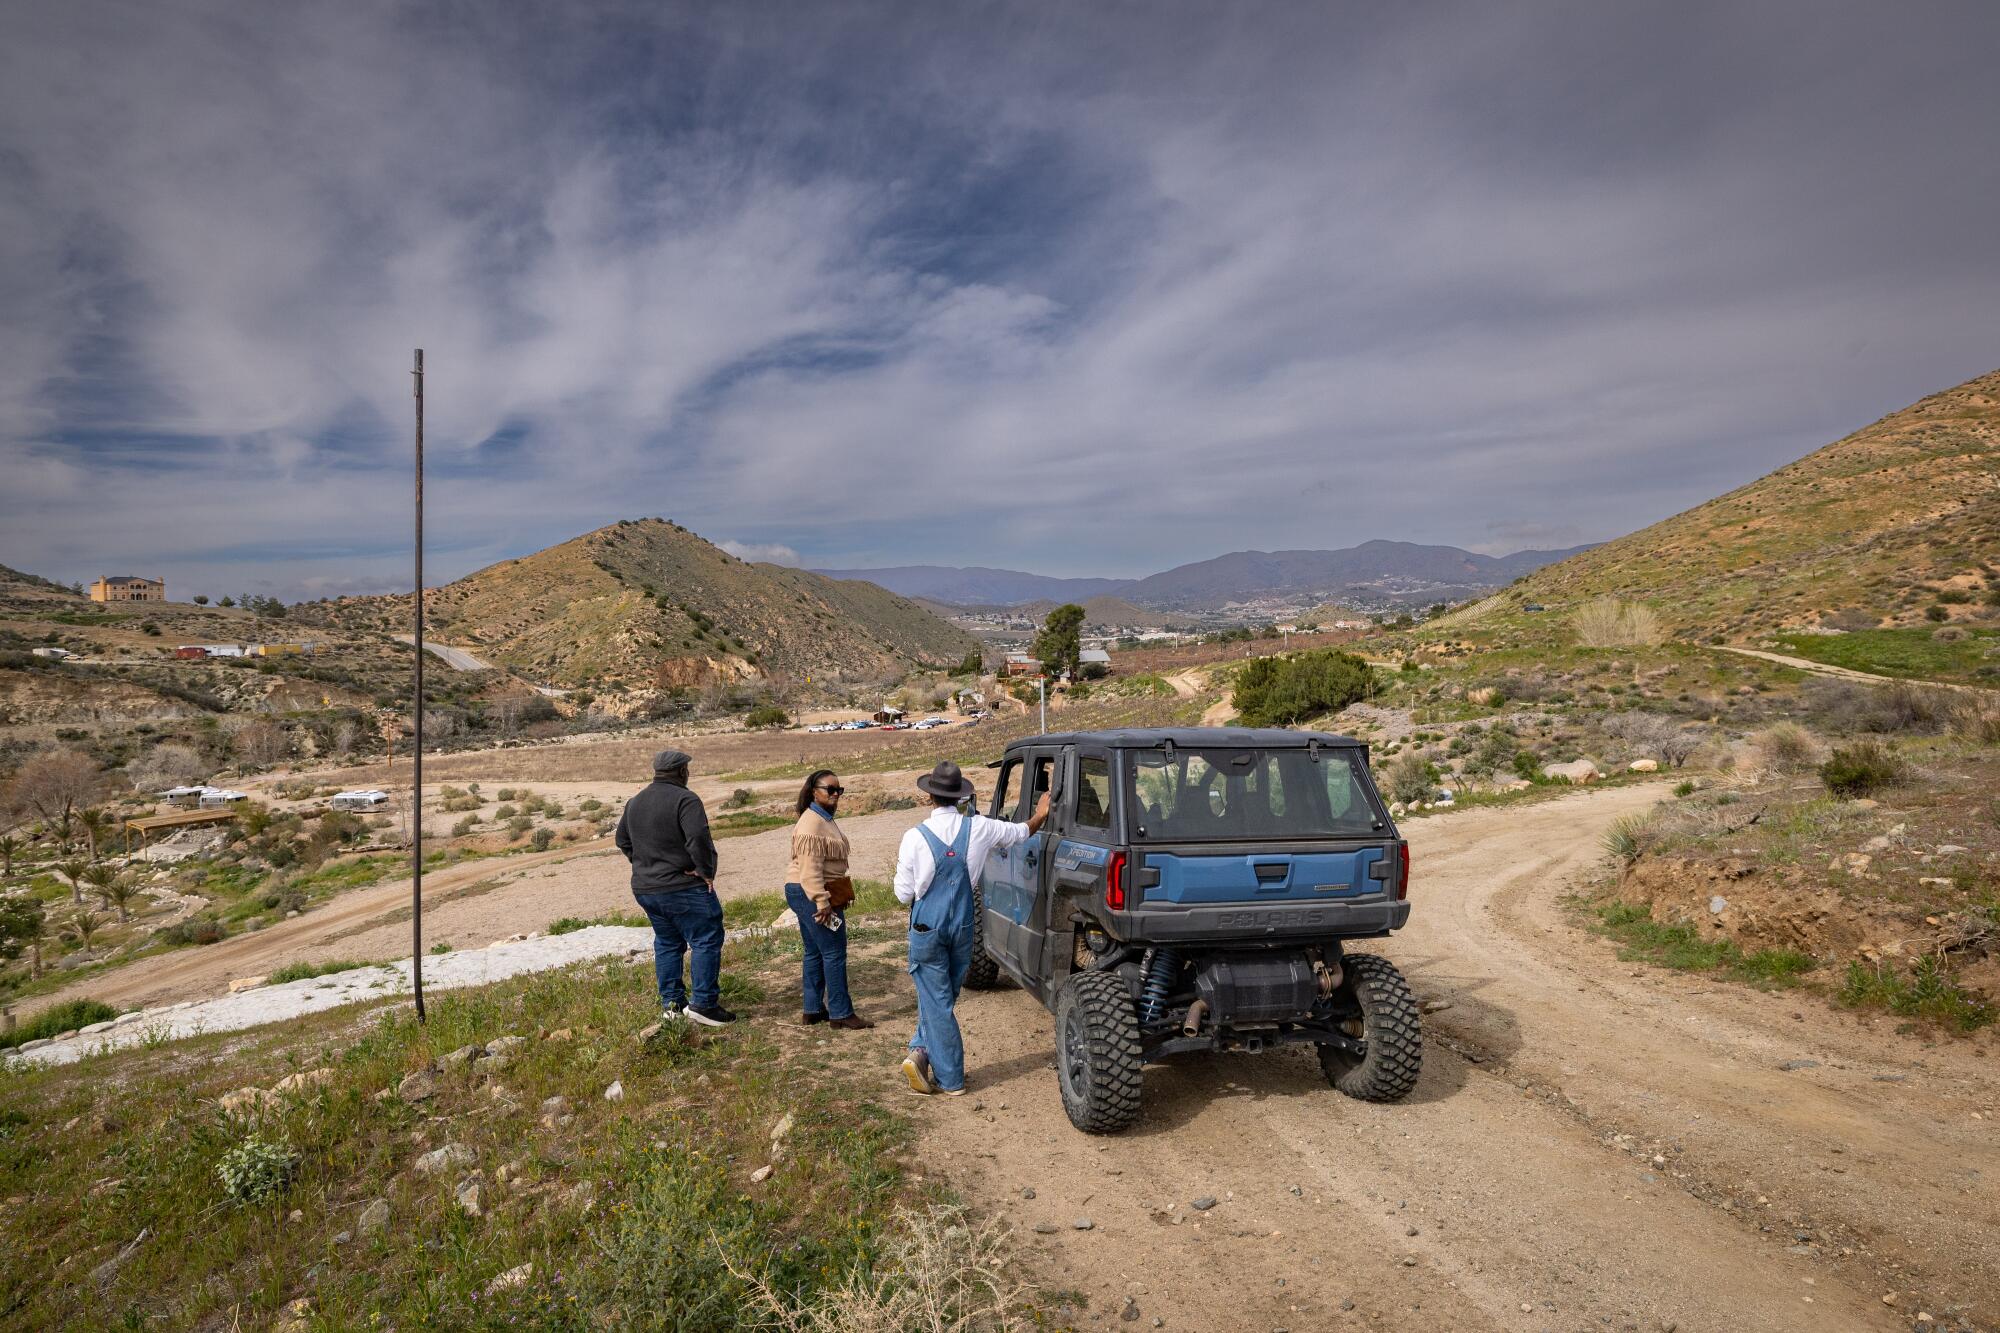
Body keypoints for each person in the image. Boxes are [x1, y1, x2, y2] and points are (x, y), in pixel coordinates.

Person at [892, 759, 1050, 1095]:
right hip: (963, 925)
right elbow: (1022, 832)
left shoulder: (913, 837)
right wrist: (1041, 812)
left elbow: (902, 893)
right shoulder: (980, 827)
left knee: (937, 1000)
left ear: (929, 798)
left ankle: (951, 1080)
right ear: (961, 799)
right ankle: (920, 1050)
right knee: (941, 996)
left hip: (926, 926)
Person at [614, 748, 734, 1026]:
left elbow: (622, 840)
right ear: (682, 772)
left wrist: (643, 863)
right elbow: (698, 837)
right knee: (706, 938)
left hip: (646, 888)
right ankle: (704, 1004)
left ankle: (672, 1005)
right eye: (687, 770)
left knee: (668, 943)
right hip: (681, 885)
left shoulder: (635, 802)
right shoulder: (686, 799)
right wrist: (705, 871)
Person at [784, 769, 874, 1030]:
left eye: (839, 790)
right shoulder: (812, 823)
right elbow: (809, 868)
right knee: (834, 953)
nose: (836, 794)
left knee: (814, 951)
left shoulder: (821, 818)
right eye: (830, 790)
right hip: (812, 891)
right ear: (814, 791)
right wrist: (822, 902)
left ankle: (812, 1010)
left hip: (807, 890)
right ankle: (841, 1013)